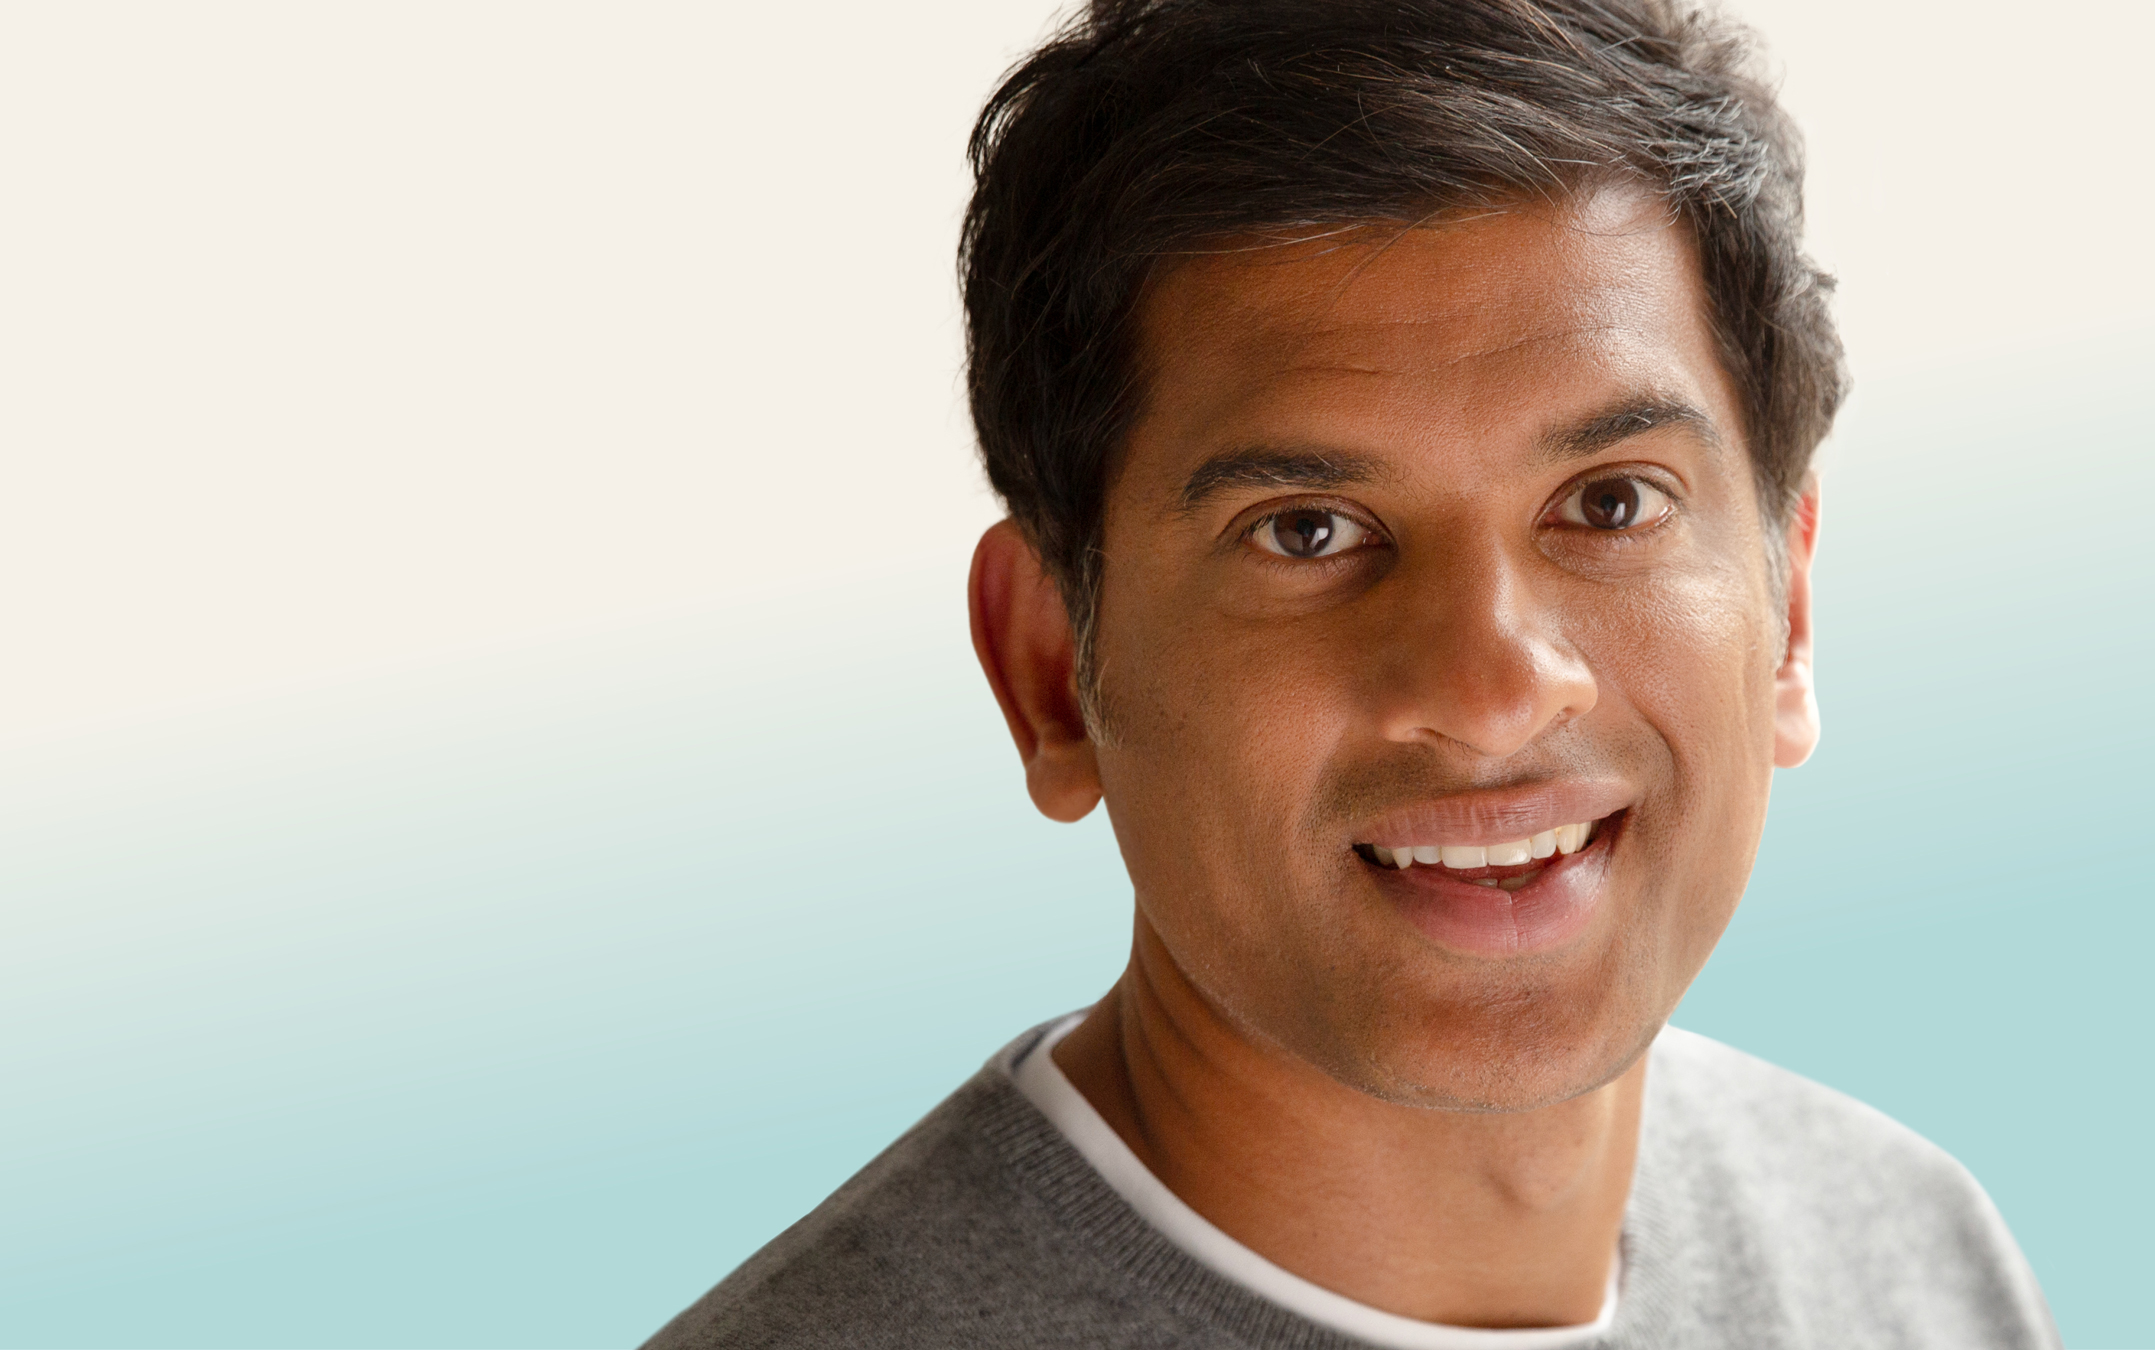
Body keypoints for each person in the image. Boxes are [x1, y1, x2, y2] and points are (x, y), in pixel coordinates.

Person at [645, 0, 2058, 1345]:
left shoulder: (1912, 1263)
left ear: (1788, 609)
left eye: (1612, 502)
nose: (1496, 686)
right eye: (1307, 531)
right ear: (1050, 673)